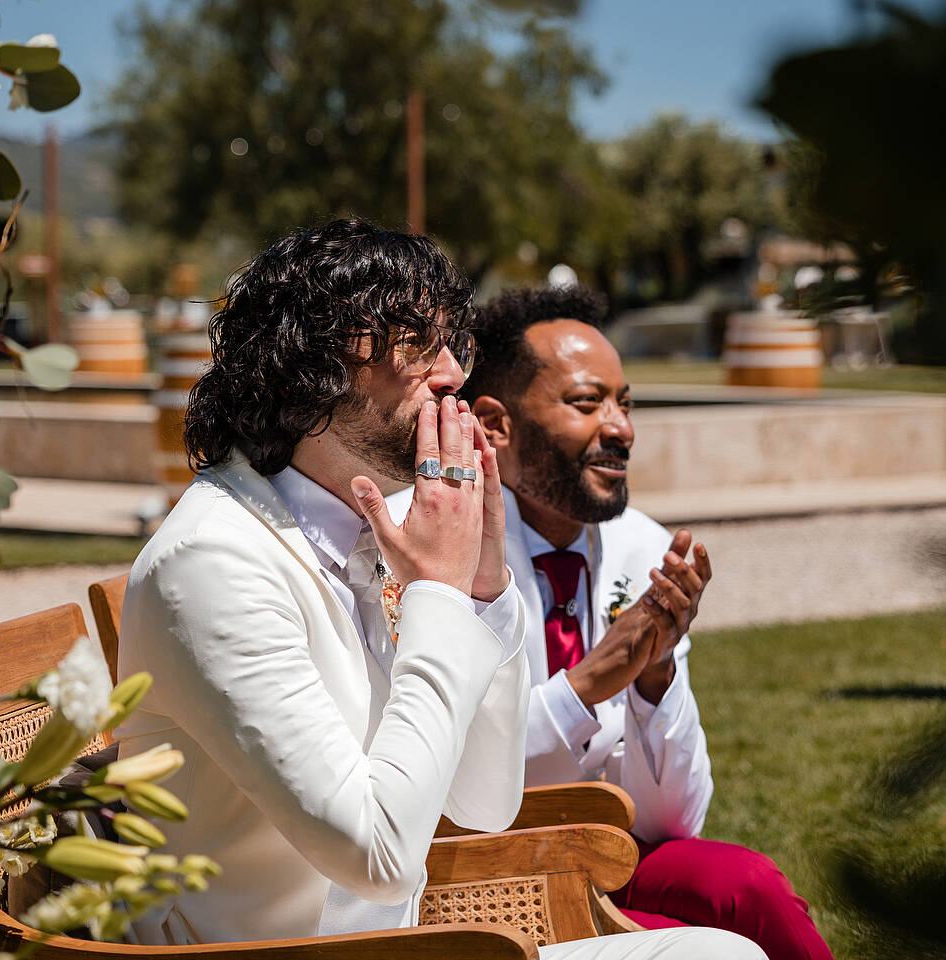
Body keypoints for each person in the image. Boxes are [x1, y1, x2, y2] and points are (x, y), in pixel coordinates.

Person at [113, 220, 766, 960]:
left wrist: (487, 591)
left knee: (721, 952)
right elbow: (379, 859)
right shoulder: (214, 562)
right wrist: (441, 594)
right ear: (315, 360)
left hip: (406, 946)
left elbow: (485, 804)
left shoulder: (370, 529)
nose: (454, 372)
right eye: (417, 341)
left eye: (451, 342)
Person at [435, 285, 834, 960]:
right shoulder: (438, 546)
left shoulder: (643, 548)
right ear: (494, 426)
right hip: (482, 870)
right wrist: (585, 686)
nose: (620, 427)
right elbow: (453, 781)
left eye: (625, 403)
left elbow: (680, 819)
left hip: (616, 848)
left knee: (751, 886)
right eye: (588, 403)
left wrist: (654, 678)